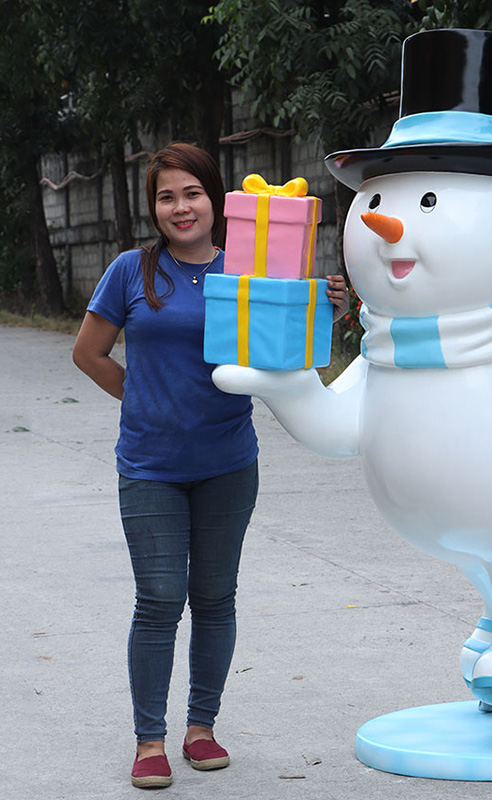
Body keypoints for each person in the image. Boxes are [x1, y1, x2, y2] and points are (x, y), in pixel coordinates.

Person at [73, 142, 347, 789]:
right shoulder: (130, 273)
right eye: (166, 196)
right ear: (154, 208)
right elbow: (89, 353)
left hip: (228, 464)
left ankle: (201, 728)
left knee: (215, 597)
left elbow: (289, 348)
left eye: (191, 193)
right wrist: (140, 399)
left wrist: (326, 304)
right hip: (149, 466)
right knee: (159, 598)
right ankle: (148, 739)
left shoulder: (246, 271)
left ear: (216, 199)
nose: (180, 207)